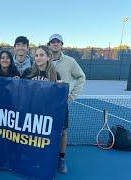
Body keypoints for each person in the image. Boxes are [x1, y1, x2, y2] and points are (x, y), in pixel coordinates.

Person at [48, 33, 86, 174]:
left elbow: (81, 77)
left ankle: (61, 160)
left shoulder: (70, 61)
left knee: (63, 132)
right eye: (53, 42)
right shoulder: (44, 59)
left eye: (58, 42)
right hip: (44, 104)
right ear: (49, 44)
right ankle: (47, 156)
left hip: (62, 104)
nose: (55, 44)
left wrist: (71, 96)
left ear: (61, 44)